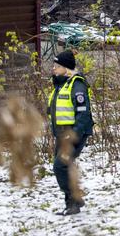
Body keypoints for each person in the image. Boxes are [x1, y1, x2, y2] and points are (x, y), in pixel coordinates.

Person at [47, 50, 94, 216]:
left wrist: (73, 134)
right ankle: (72, 203)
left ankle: (75, 200)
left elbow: (83, 114)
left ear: (66, 68)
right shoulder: (61, 85)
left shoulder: (77, 85)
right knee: (65, 167)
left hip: (73, 134)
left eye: (57, 66)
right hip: (61, 133)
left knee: (60, 166)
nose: (53, 68)